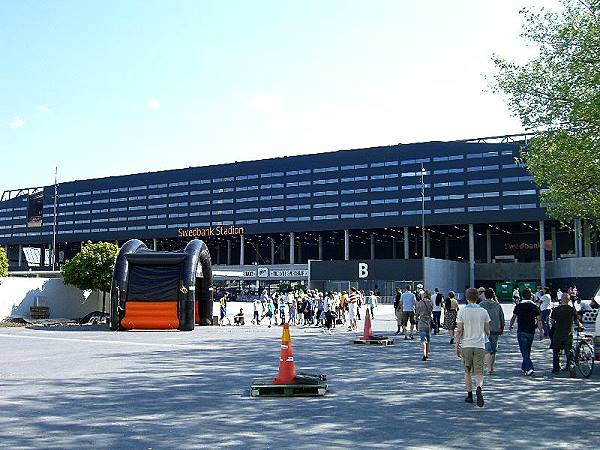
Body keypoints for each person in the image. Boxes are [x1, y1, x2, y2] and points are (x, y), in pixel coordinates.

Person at [455, 287, 491, 408]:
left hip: (467, 345)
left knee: (467, 371)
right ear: (477, 297)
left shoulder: (462, 311)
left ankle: (469, 395)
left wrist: (457, 345)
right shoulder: (483, 311)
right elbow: (487, 330)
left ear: (467, 297)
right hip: (479, 344)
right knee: (479, 371)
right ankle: (479, 387)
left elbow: (459, 330)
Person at [509, 288, 544, 376]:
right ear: (531, 296)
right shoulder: (534, 307)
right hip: (531, 331)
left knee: (524, 351)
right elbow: (539, 320)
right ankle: (524, 367)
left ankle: (529, 367)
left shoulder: (519, 306)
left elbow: (513, 317)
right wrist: (541, 331)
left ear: (522, 296)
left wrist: (511, 325)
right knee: (527, 350)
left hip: (521, 330)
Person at [550, 293, 582, 376]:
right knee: (569, 351)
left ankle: (556, 368)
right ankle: (571, 366)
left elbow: (552, 322)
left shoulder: (556, 310)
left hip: (558, 333)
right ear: (568, 300)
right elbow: (577, 322)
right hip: (568, 333)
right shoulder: (572, 310)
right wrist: (580, 326)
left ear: (561, 299)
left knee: (556, 351)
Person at [479, 288, 505, 374]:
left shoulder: (481, 305)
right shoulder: (497, 305)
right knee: (493, 349)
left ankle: (488, 367)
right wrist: (502, 327)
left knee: (487, 349)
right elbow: (502, 317)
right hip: (495, 328)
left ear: (485, 295)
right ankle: (491, 367)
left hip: (484, 329)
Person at [415, 290, 434, 361]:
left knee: (423, 339)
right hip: (428, 323)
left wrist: (416, 318)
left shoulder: (420, 303)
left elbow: (417, 314)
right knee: (428, 340)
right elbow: (431, 311)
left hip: (421, 322)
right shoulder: (431, 303)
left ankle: (424, 354)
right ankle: (427, 354)